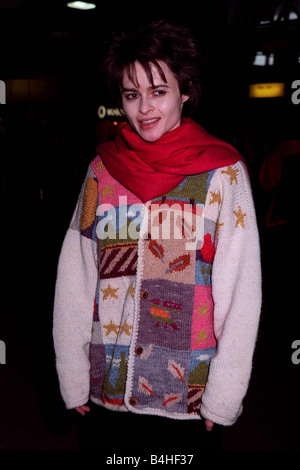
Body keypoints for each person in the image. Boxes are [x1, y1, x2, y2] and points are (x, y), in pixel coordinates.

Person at [53, 20, 262, 450]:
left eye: (158, 91)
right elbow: (75, 279)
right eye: (132, 95)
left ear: (184, 91)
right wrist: (73, 376)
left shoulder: (222, 175)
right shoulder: (101, 173)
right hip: (107, 390)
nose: (144, 107)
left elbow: (242, 292)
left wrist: (223, 396)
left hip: (187, 397)